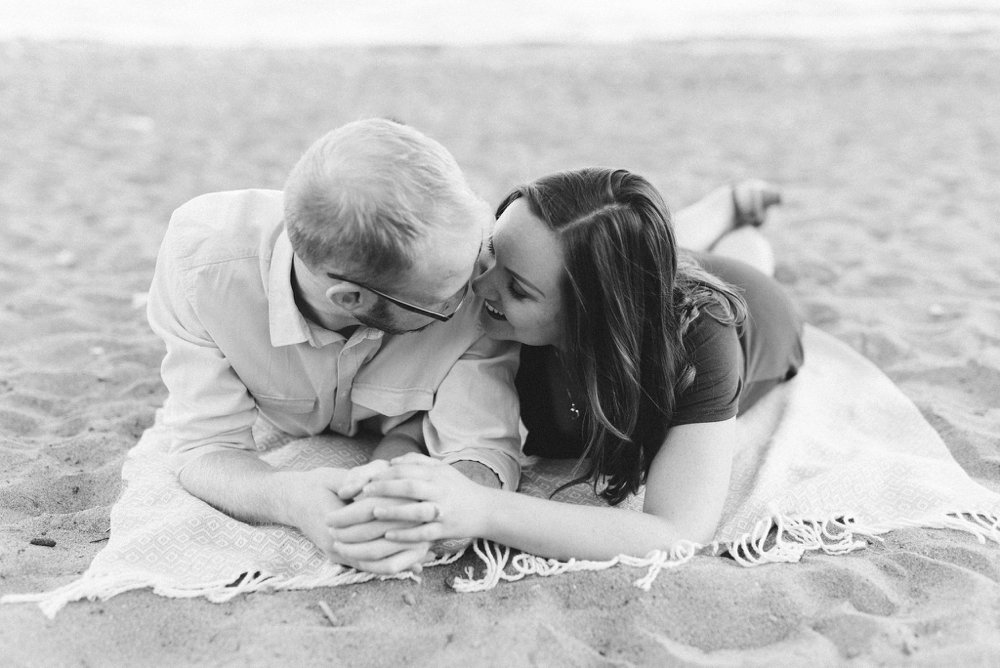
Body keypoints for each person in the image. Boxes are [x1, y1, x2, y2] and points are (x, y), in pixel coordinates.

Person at [329, 168, 803, 563]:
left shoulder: (700, 340)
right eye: (490, 252)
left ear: (589, 316)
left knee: (746, 259)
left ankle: (740, 219)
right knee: (641, 248)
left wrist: (480, 508)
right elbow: (419, 419)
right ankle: (724, 204)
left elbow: (676, 531)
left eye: (517, 288)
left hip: (757, 311)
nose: (479, 287)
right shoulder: (510, 303)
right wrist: (384, 481)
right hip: (625, 275)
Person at [146, 118, 523, 575]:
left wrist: (418, 520)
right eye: (447, 300)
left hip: (407, 437)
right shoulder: (202, 269)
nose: (480, 291)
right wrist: (293, 501)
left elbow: (479, 451)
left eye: (480, 250)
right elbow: (205, 447)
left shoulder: (470, 272)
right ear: (351, 300)